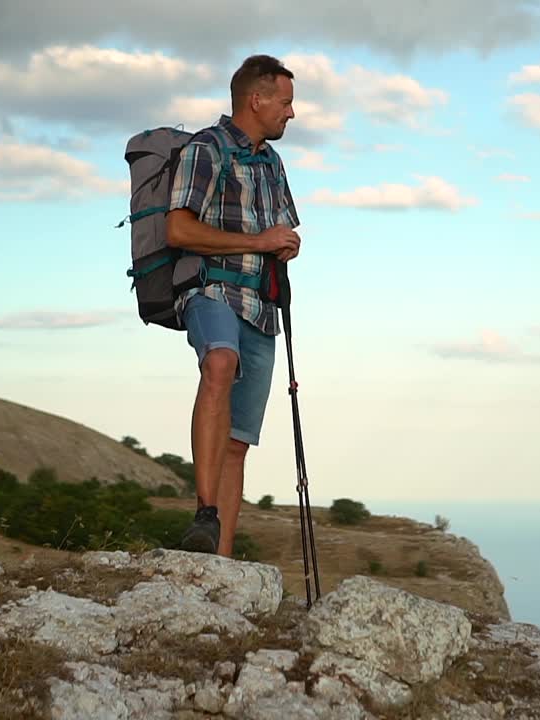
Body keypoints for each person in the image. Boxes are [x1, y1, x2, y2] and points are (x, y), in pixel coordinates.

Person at [165, 54, 302, 557]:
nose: (291, 113)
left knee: (239, 442)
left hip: (261, 307)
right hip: (212, 290)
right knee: (219, 363)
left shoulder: (272, 162)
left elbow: (282, 232)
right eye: (285, 103)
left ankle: (219, 563)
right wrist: (261, 242)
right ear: (256, 99)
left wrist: (284, 244)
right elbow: (177, 229)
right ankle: (205, 512)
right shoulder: (207, 148)